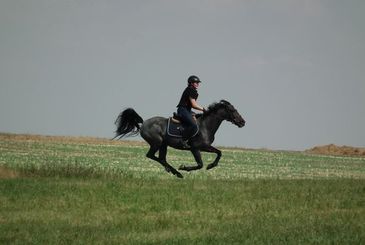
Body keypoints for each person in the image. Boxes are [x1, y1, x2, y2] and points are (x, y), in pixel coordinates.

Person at [176, 75, 206, 148]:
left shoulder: (193, 90)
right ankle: (183, 141)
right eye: (196, 82)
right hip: (183, 109)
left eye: (198, 82)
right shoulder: (191, 90)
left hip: (187, 110)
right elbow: (194, 105)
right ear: (191, 83)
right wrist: (204, 109)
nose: (198, 84)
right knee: (193, 125)